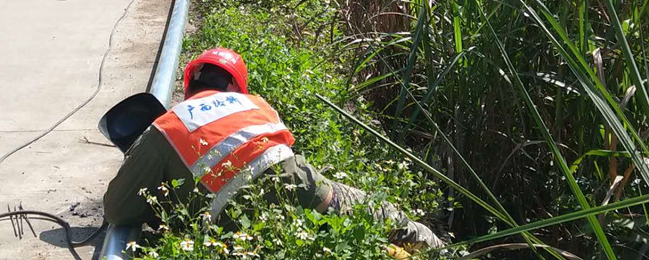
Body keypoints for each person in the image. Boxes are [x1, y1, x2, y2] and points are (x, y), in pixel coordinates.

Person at [103, 48, 446, 253]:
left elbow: (118, 210)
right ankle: (445, 252)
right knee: (388, 218)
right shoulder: (255, 104)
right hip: (315, 197)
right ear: (235, 85)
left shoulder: (168, 127)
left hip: (239, 233)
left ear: (189, 83)